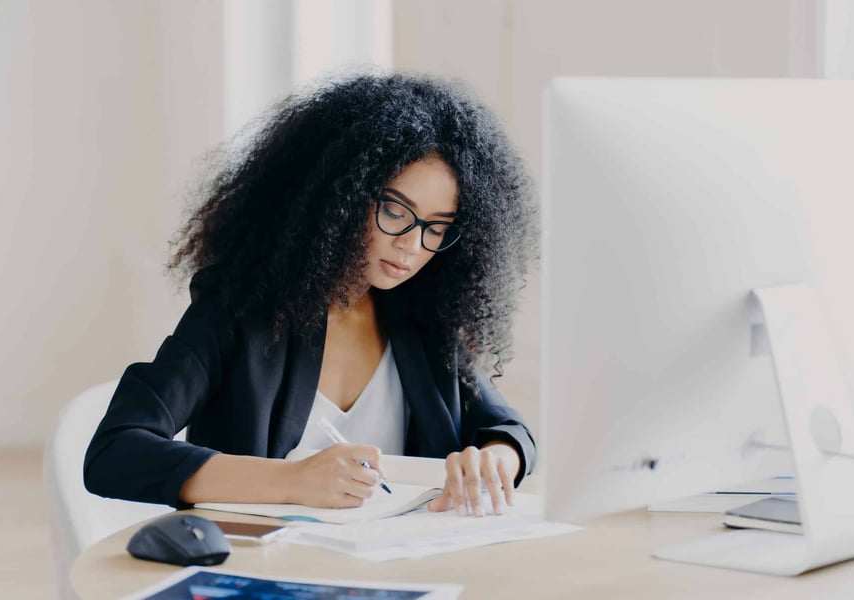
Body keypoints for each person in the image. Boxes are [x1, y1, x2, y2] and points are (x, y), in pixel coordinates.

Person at [84, 72, 538, 518]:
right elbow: (115, 451)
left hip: (396, 570)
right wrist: (292, 481)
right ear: (339, 195)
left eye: (437, 227)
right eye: (396, 211)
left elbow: (509, 431)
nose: (413, 245)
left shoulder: (424, 319)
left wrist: (493, 460)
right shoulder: (240, 309)